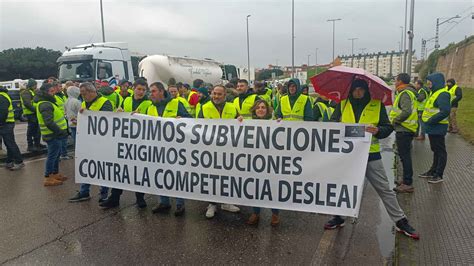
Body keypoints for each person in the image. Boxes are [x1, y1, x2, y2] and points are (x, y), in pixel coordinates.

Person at [324, 79, 419, 240]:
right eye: (355, 90)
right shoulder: (343, 104)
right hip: (348, 156)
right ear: (351, 91)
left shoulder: (376, 105)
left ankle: (400, 220)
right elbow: (331, 124)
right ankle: (339, 217)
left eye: (361, 90)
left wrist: (377, 131)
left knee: (384, 189)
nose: (358, 93)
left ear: (366, 90)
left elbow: (387, 128)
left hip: (370, 155)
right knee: (344, 188)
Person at [99, 79, 152, 209]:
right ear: (133, 88)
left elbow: (152, 121)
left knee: (139, 171)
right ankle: (114, 198)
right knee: (120, 170)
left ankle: (140, 198)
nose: (141, 92)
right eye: (139, 89)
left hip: (141, 142)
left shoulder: (148, 103)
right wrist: (119, 112)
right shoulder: (126, 100)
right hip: (125, 141)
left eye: (144, 90)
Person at [147, 81, 191, 216]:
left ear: (161, 91)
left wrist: (182, 119)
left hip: (175, 147)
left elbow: (189, 120)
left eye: (154, 91)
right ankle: (164, 201)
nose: (151, 94)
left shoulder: (176, 103)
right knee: (159, 174)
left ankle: (179, 204)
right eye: (151, 91)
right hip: (157, 147)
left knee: (176, 175)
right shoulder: (150, 107)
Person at [197, 85, 241, 218]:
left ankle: (226, 202)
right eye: (214, 93)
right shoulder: (204, 108)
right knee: (212, 178)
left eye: (219, 94)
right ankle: (212, 204)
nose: (216, 96)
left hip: (228, 149)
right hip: (210, 150)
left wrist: (240, 121)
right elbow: (196, 127)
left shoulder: (232, 107)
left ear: (225, 96)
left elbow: (241, 125)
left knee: (228, 176)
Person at [68, 82, 111, 202]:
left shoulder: (105, 102)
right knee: (85, 165)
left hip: (101, 142)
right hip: (87, 142)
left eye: (84, 94)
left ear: (92, 92)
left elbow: (107, 122)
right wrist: (79, 120)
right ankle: (84, 191)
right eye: (81, 94)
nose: (83, 96)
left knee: (102, 167)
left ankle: (104, 194)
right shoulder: (84, 103)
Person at [245, 99, 280, 226]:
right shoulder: (248, 124)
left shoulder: (274, 123)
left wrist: (281, 124)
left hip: (270, 163)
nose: (260, 109)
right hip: (254, 163)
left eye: (263, 107)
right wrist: (237, 123)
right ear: (254, 109)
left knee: (272, 189)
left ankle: (275, 214)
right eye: (258, 107)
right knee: (255, 188)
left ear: (267, 110)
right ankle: (256, 213)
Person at [419, 73, 451, 184]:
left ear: (436, 82)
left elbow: (445, 111)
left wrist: (431, 120)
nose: (428, 84)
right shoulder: (435, 93)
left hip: (438, 127)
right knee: (435, 150)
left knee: (440, 151)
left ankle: (438, 174)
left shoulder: (442, 94)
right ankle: (433, 171)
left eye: (430, 82)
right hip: (433, 127)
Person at [35, 83, 69, 186]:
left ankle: (55, 173)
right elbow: (48, 122)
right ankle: (48, 177)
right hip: (52, 135)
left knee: (56, 155)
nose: (53, 93)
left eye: (53, 91)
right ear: (46, 92)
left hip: (54, 134)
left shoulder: (47, 102)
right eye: (51, 91)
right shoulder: (45, 104)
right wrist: (60, 131)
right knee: (52, 156)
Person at [391, 73, 419, 193]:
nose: (395, 82)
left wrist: (395, 121)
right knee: (404, 155)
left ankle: (408, 183)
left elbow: (406, 111)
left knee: (405, 156)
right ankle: (406, 180)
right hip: (407, 128)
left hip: (404, 128)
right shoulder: (408, 92)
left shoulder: (405, 93)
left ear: (400, 81)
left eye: (396, 80)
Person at [0, 85, 24, 170]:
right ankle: (9, 161)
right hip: (7, 123)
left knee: (10, 143)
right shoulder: (4, 95)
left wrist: (0, 123)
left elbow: (3, 112)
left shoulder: (1, 97)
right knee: (9, 143)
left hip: (5, 124)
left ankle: (19, 161)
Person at [20, 79, 44, 152]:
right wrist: (35, 110)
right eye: (35, 85)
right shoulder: (26, 92)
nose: (36, 86)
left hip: (33, 113)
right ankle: (30, 146)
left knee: (37, 130)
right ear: (32, 85)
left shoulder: (31, 91)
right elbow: (27, 104)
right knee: (31, 130)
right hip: (31, 114)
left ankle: (37, 144)